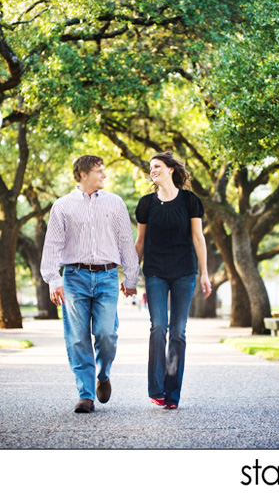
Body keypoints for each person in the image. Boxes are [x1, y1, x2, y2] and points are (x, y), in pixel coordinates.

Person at [41, 155, 140, 413]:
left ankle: (103, 374)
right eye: (99, 171)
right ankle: (85, 394)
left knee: (107, 333)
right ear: (83, 174)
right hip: (74, 277)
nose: (104, 175)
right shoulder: (62, 206)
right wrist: (53, 279)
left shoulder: (115, 203)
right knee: (77, 338)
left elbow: (125, 242)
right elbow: (52, 245)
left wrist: (131, 278)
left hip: (107, 277)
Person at [135, 152, 212, 409]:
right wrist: (133, 275)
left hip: (184, 273)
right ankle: (156, 388)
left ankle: (172, 394)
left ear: (170, 169)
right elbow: (140, 242)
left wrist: (205, 273)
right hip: (155, 272)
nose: (152, 170)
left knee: (178, 332)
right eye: (150, 167)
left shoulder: (190, 201)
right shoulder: (146, 204)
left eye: (157, 166)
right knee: (159, 327)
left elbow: (198, 238)